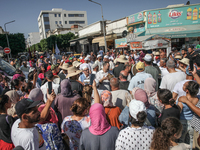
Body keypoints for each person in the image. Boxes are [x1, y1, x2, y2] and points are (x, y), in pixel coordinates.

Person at [177, 81, 199, 147]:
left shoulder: (182, 100)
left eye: (184, 85)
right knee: (191, 142)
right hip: (193, 123)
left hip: (183, 122)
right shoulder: (198, 99)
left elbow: (178, 111)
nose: (182, 85)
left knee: (181, 142)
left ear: (187, 90)